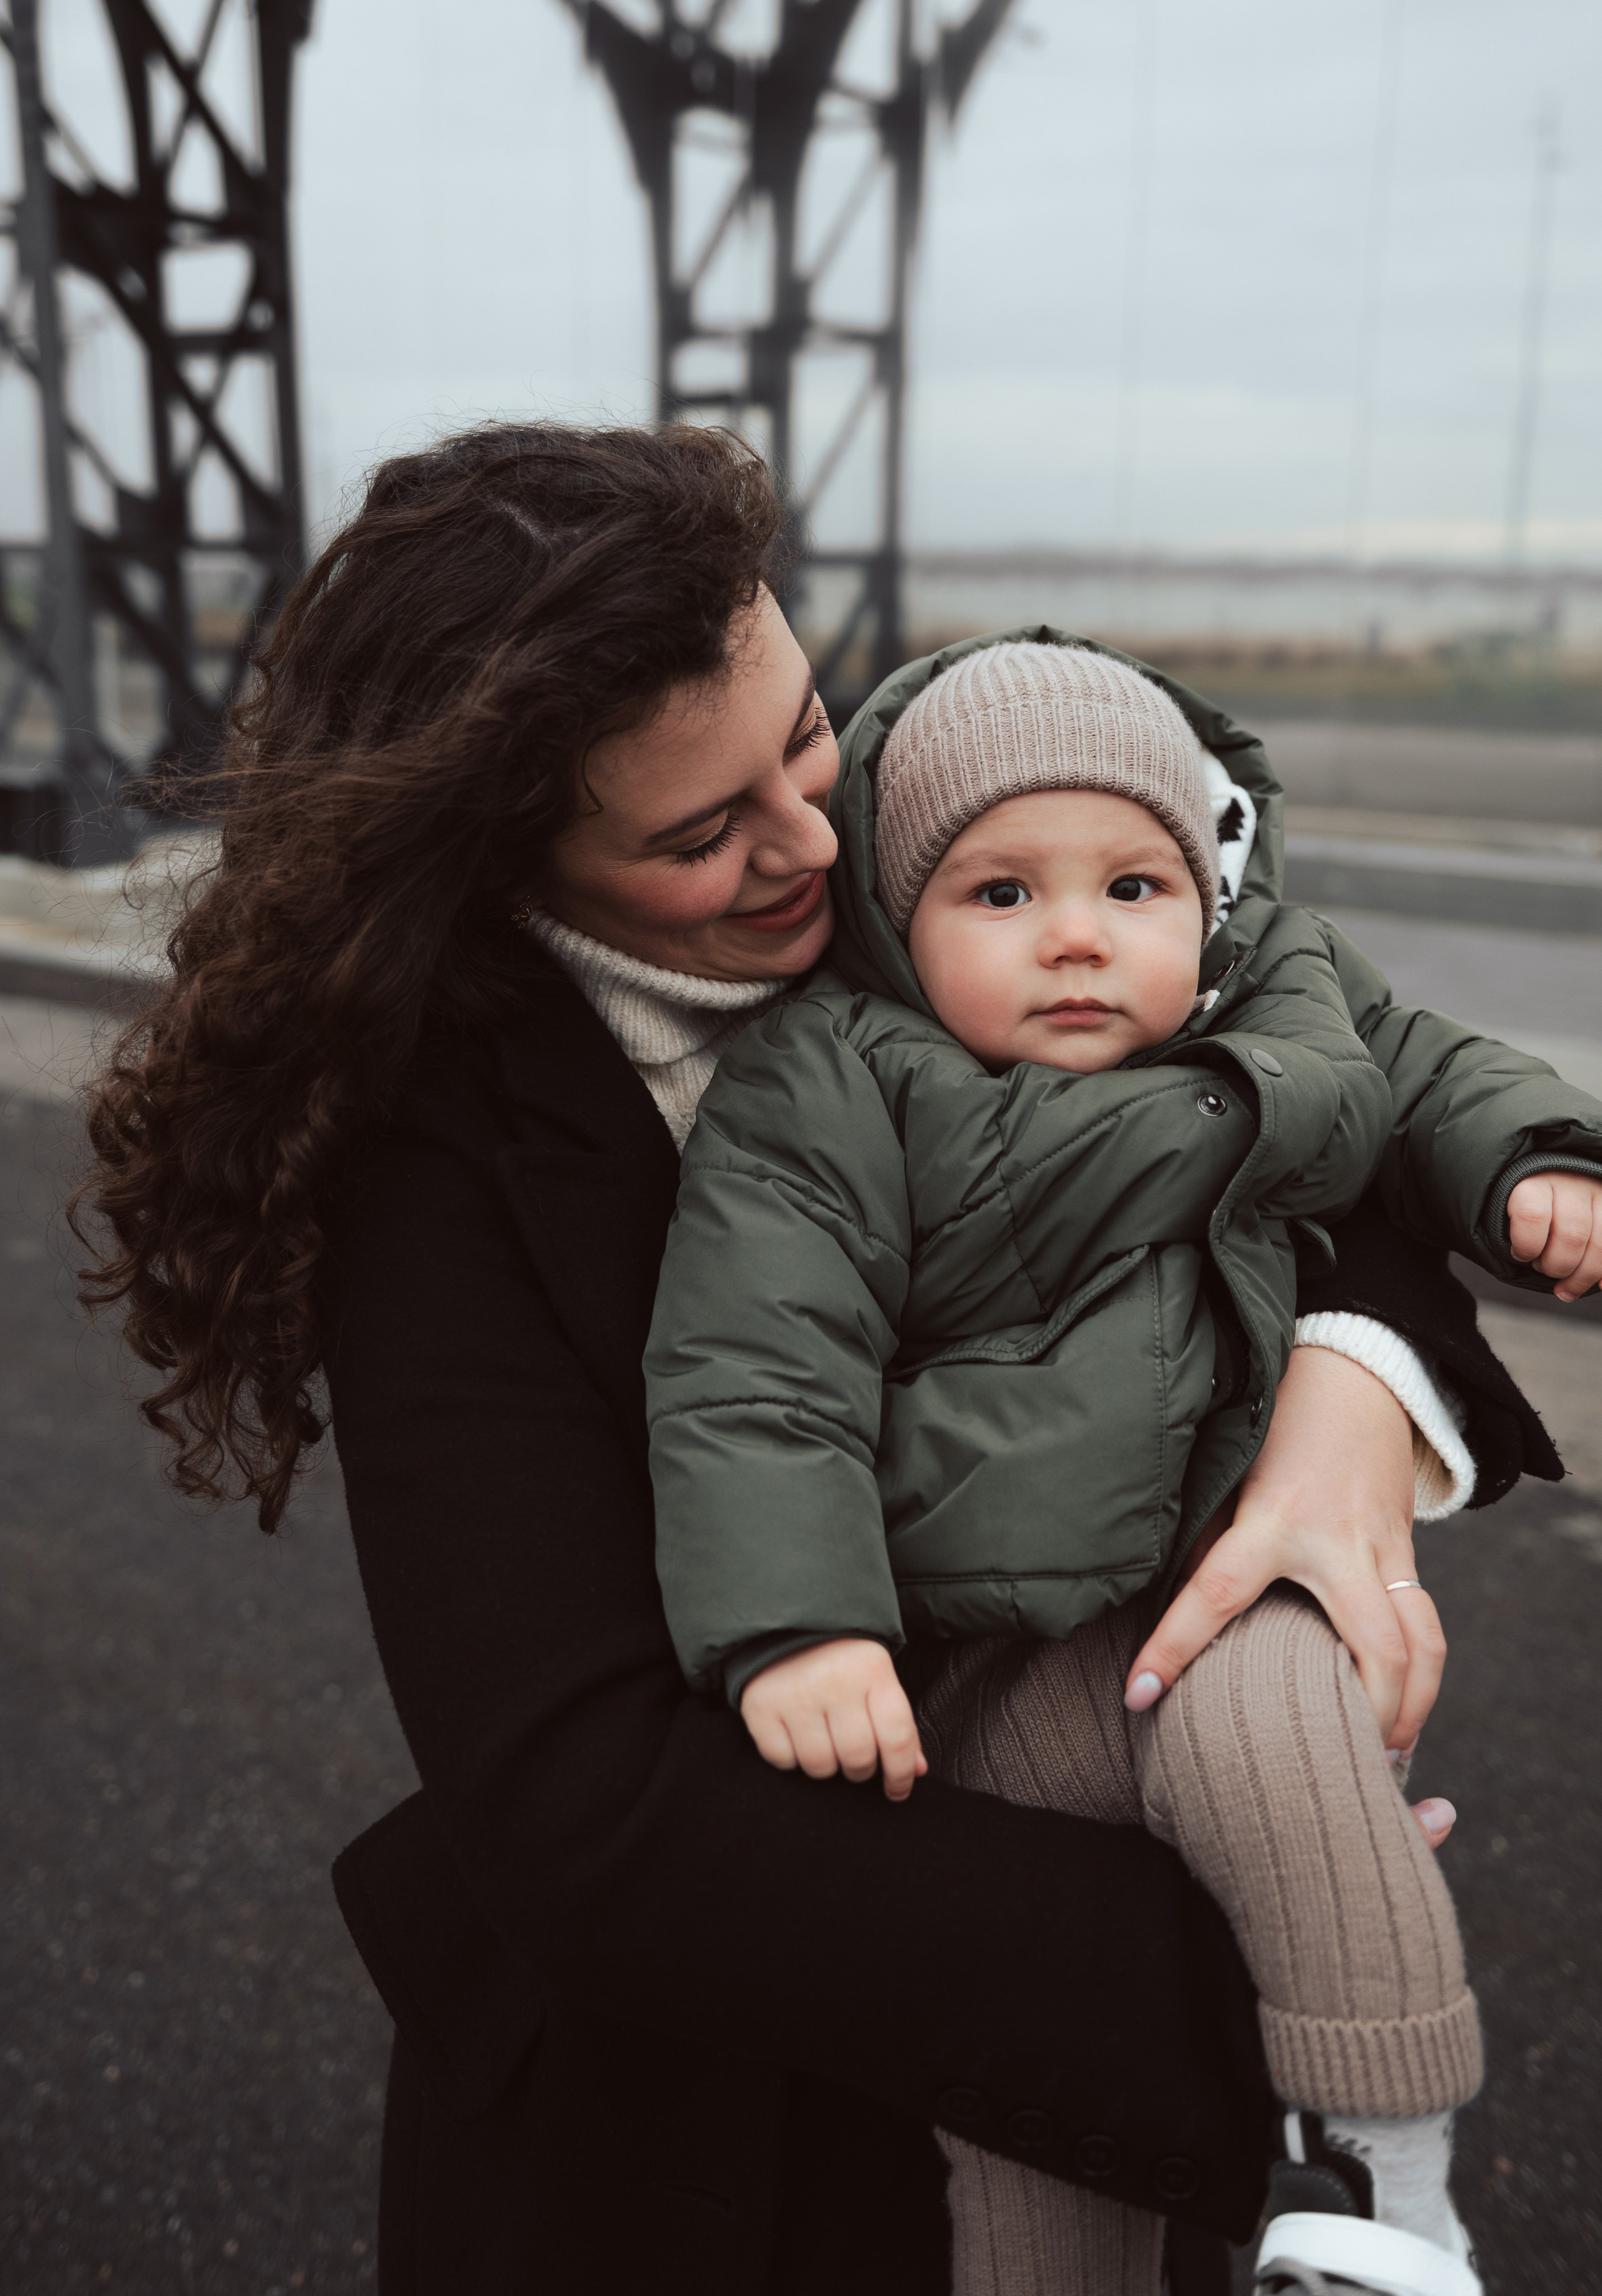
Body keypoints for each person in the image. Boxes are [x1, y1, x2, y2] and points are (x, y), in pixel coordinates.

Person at [72, 422, 1563, 2295]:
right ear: (500, 853)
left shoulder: (954, 881)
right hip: (714, 2133)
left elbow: (1292, 1089)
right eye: (700, 834)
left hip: (1071, 1858)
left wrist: (1354, 1390)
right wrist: (1253, 1959)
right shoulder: (434, 1167)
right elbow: (591, 1811)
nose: (807, 839)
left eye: (801, 735)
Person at [643, 636, 1602, 2296]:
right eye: (1000, 894)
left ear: (1206, 884)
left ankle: (1384, 2196)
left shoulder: (1284, 987)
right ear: (892, 911)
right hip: (994, 1671)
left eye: (1133, 884)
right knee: (1033, 2090)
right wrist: (796, 1623)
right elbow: (754, 1365)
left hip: (1223, 1598)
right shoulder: (835, 1079)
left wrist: (1537, 1162)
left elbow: (1432, 1073)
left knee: (1281, 1730)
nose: (1079, 935)